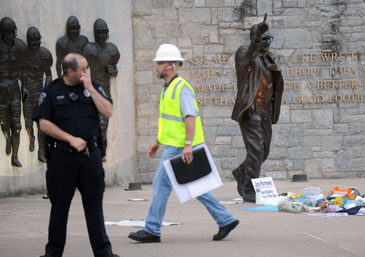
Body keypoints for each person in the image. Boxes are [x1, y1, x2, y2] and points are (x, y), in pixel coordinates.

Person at [128, 44, 239, 243]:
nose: (156, 67)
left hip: (181, 147)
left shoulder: (181, 88)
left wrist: (188, 145)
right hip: (176, 145)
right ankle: (226, 219)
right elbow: (169, 122)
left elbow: (190, 117)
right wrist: (157, 142)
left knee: (160, 186)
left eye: (159, 63)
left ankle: (152, 229)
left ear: (170, 65)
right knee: (195, 186)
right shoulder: (168, 88)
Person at [33, 53, 120, 257]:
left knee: (94, 205)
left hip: (90, 155)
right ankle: (53, 252)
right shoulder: (52, 91)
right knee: (59, 206)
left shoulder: (93, 87)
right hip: (62, 157)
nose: (87, 72)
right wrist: (70, 139)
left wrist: (90, 87)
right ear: (70, 71)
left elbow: (108, 111)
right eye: (83, 69)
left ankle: (102, 251)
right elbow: (43, 123)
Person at [231, 16, 284, 202]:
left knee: (264, 151)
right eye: (264, 39)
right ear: (255, 39)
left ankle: (241, 172)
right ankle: (249, 189)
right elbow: (248, 60)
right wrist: (255, 40)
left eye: (269, 39)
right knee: (255, 152)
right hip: (251, 107)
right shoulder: (244, 52)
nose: (268, 42)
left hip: (266, 109)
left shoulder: (269, 56)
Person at [83, 18, 120, 161]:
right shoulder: (89, 49)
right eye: (100, 32)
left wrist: (113, 71)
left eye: (105, 32)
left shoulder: (112, 49)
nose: (102, 35)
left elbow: (115, 71)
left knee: (104, 121)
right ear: (95, 33)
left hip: (105, 87)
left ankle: (101, 150)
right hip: (92, 87)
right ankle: (91, 147)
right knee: (91, 119)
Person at [22, 27, 53, 162]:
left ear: (39, 41)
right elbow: (22, 74)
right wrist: (23, 87)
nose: (34, 44)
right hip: (29, 93)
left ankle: (41, 151)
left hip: (39, 93)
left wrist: (45, 91)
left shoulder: (44, 55)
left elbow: (49, 75)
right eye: (31, 41)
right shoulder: (24, 55)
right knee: (28, 123)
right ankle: (31, 137)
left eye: (36, 41)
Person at [0, 17, 27, 167]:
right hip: (1, 91)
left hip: (14, 89)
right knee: (4, 122)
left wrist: (25, 87)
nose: (10, 35)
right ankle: (7, 139)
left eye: (12, 32)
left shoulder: (20, 46)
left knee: (17, 126)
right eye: (7, 32)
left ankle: (15, 156)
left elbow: (24, 70)